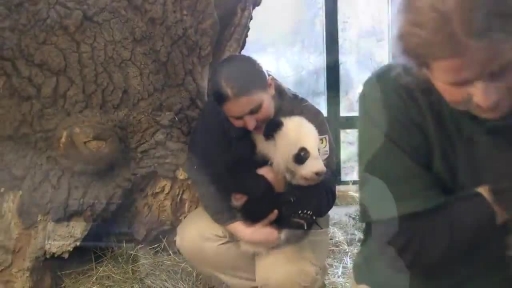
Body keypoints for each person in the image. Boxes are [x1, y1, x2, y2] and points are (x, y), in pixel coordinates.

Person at [351, 0, 512, 287]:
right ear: (422, 70)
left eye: (499, 71)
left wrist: (484, 205)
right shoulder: (394, 96)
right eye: (461, 82)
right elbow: (406, 244)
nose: (489, 97)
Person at [175, 54, 337, 287]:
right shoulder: (215, 117)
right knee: (191, 238)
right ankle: (283, 279)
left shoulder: (305, 117)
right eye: (238, 118)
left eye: (255, 109)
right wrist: (243, 231)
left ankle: (294, 276)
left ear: (270, 86)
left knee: (284, 277)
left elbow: (325, 191)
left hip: (296, 218)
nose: (251, 124)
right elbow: (204, 174)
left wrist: (283, 187)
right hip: (247, 214)